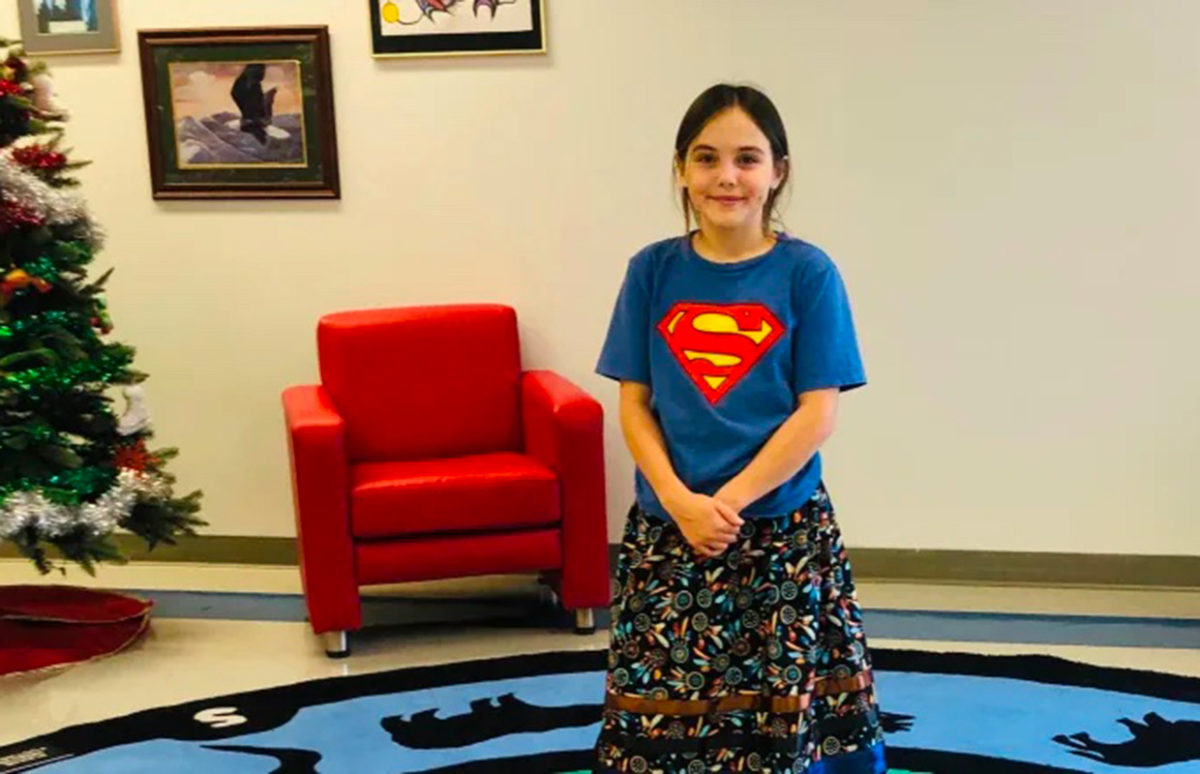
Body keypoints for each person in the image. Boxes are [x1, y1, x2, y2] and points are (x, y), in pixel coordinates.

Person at [593, 83, 887, 773]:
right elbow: (635, 404)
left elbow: (817, 411)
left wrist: (727, 505)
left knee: (777, 699)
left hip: (780, 531)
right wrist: (680, 501)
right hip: (671, 526)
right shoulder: (652, 270)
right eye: (707, 158)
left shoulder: (807, 273)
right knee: (663, 693)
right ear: (681, 169)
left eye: (748, 159)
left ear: (777, 171)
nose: (727, 177)